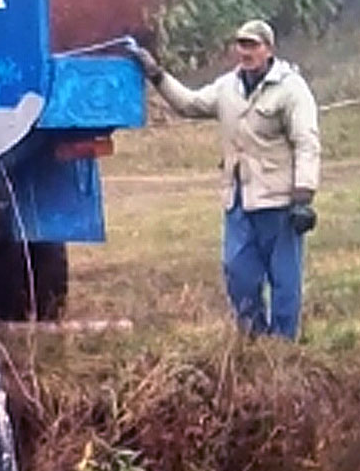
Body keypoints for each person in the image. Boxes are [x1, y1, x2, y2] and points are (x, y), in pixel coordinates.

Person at [132, 20, 320, 339]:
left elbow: (307, 142)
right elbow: (190, 105)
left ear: (269, 49)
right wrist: (156, 74)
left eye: (253, 45)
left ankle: (283, 348)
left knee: (284, 279)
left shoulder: (291, 88)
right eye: (241, 45)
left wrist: (303, 197)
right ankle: (253, 340)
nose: (245, 52)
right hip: (239, 199)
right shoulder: (227, 87)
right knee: (239, 274)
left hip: (279, 201)